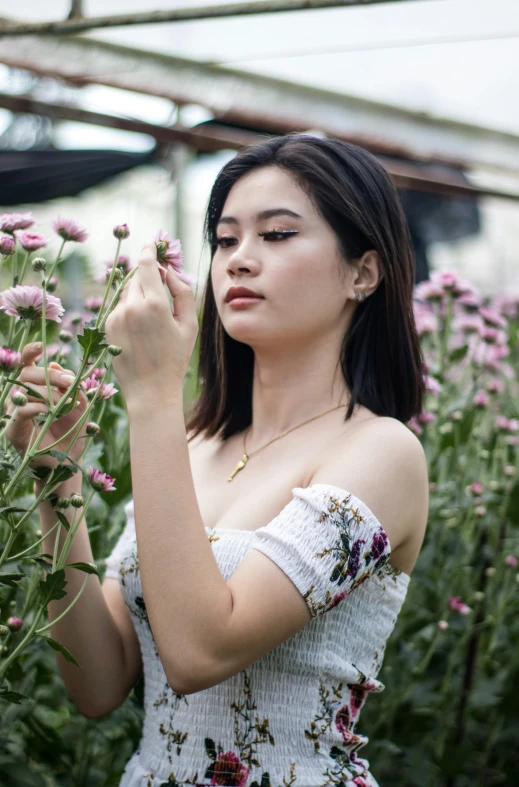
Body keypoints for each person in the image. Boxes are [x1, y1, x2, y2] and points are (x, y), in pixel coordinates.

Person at [30, 134, 430, 787]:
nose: (240, 260)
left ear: (363, 272)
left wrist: (156, 392)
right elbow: (98, 682)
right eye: (224, 240)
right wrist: (57, 481)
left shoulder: (379, 450)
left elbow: (199, 651)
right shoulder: (191, 444)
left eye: (275, 235)